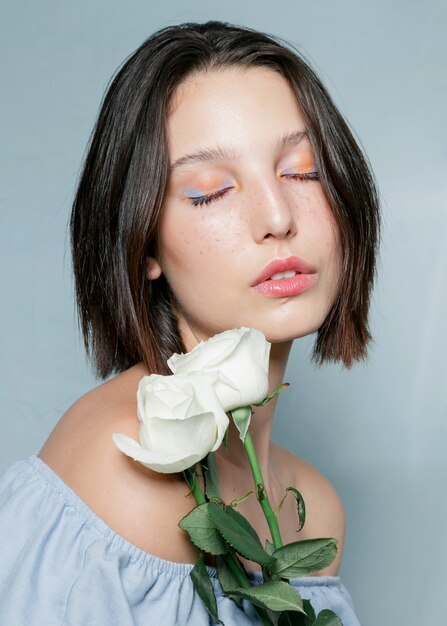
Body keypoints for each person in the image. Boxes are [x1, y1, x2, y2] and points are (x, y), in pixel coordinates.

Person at [0, 21, 379, 625]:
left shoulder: (315, 509)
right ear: (143, 243)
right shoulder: (122, 468)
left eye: (303, 170)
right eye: (210, 191)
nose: (278, 216)